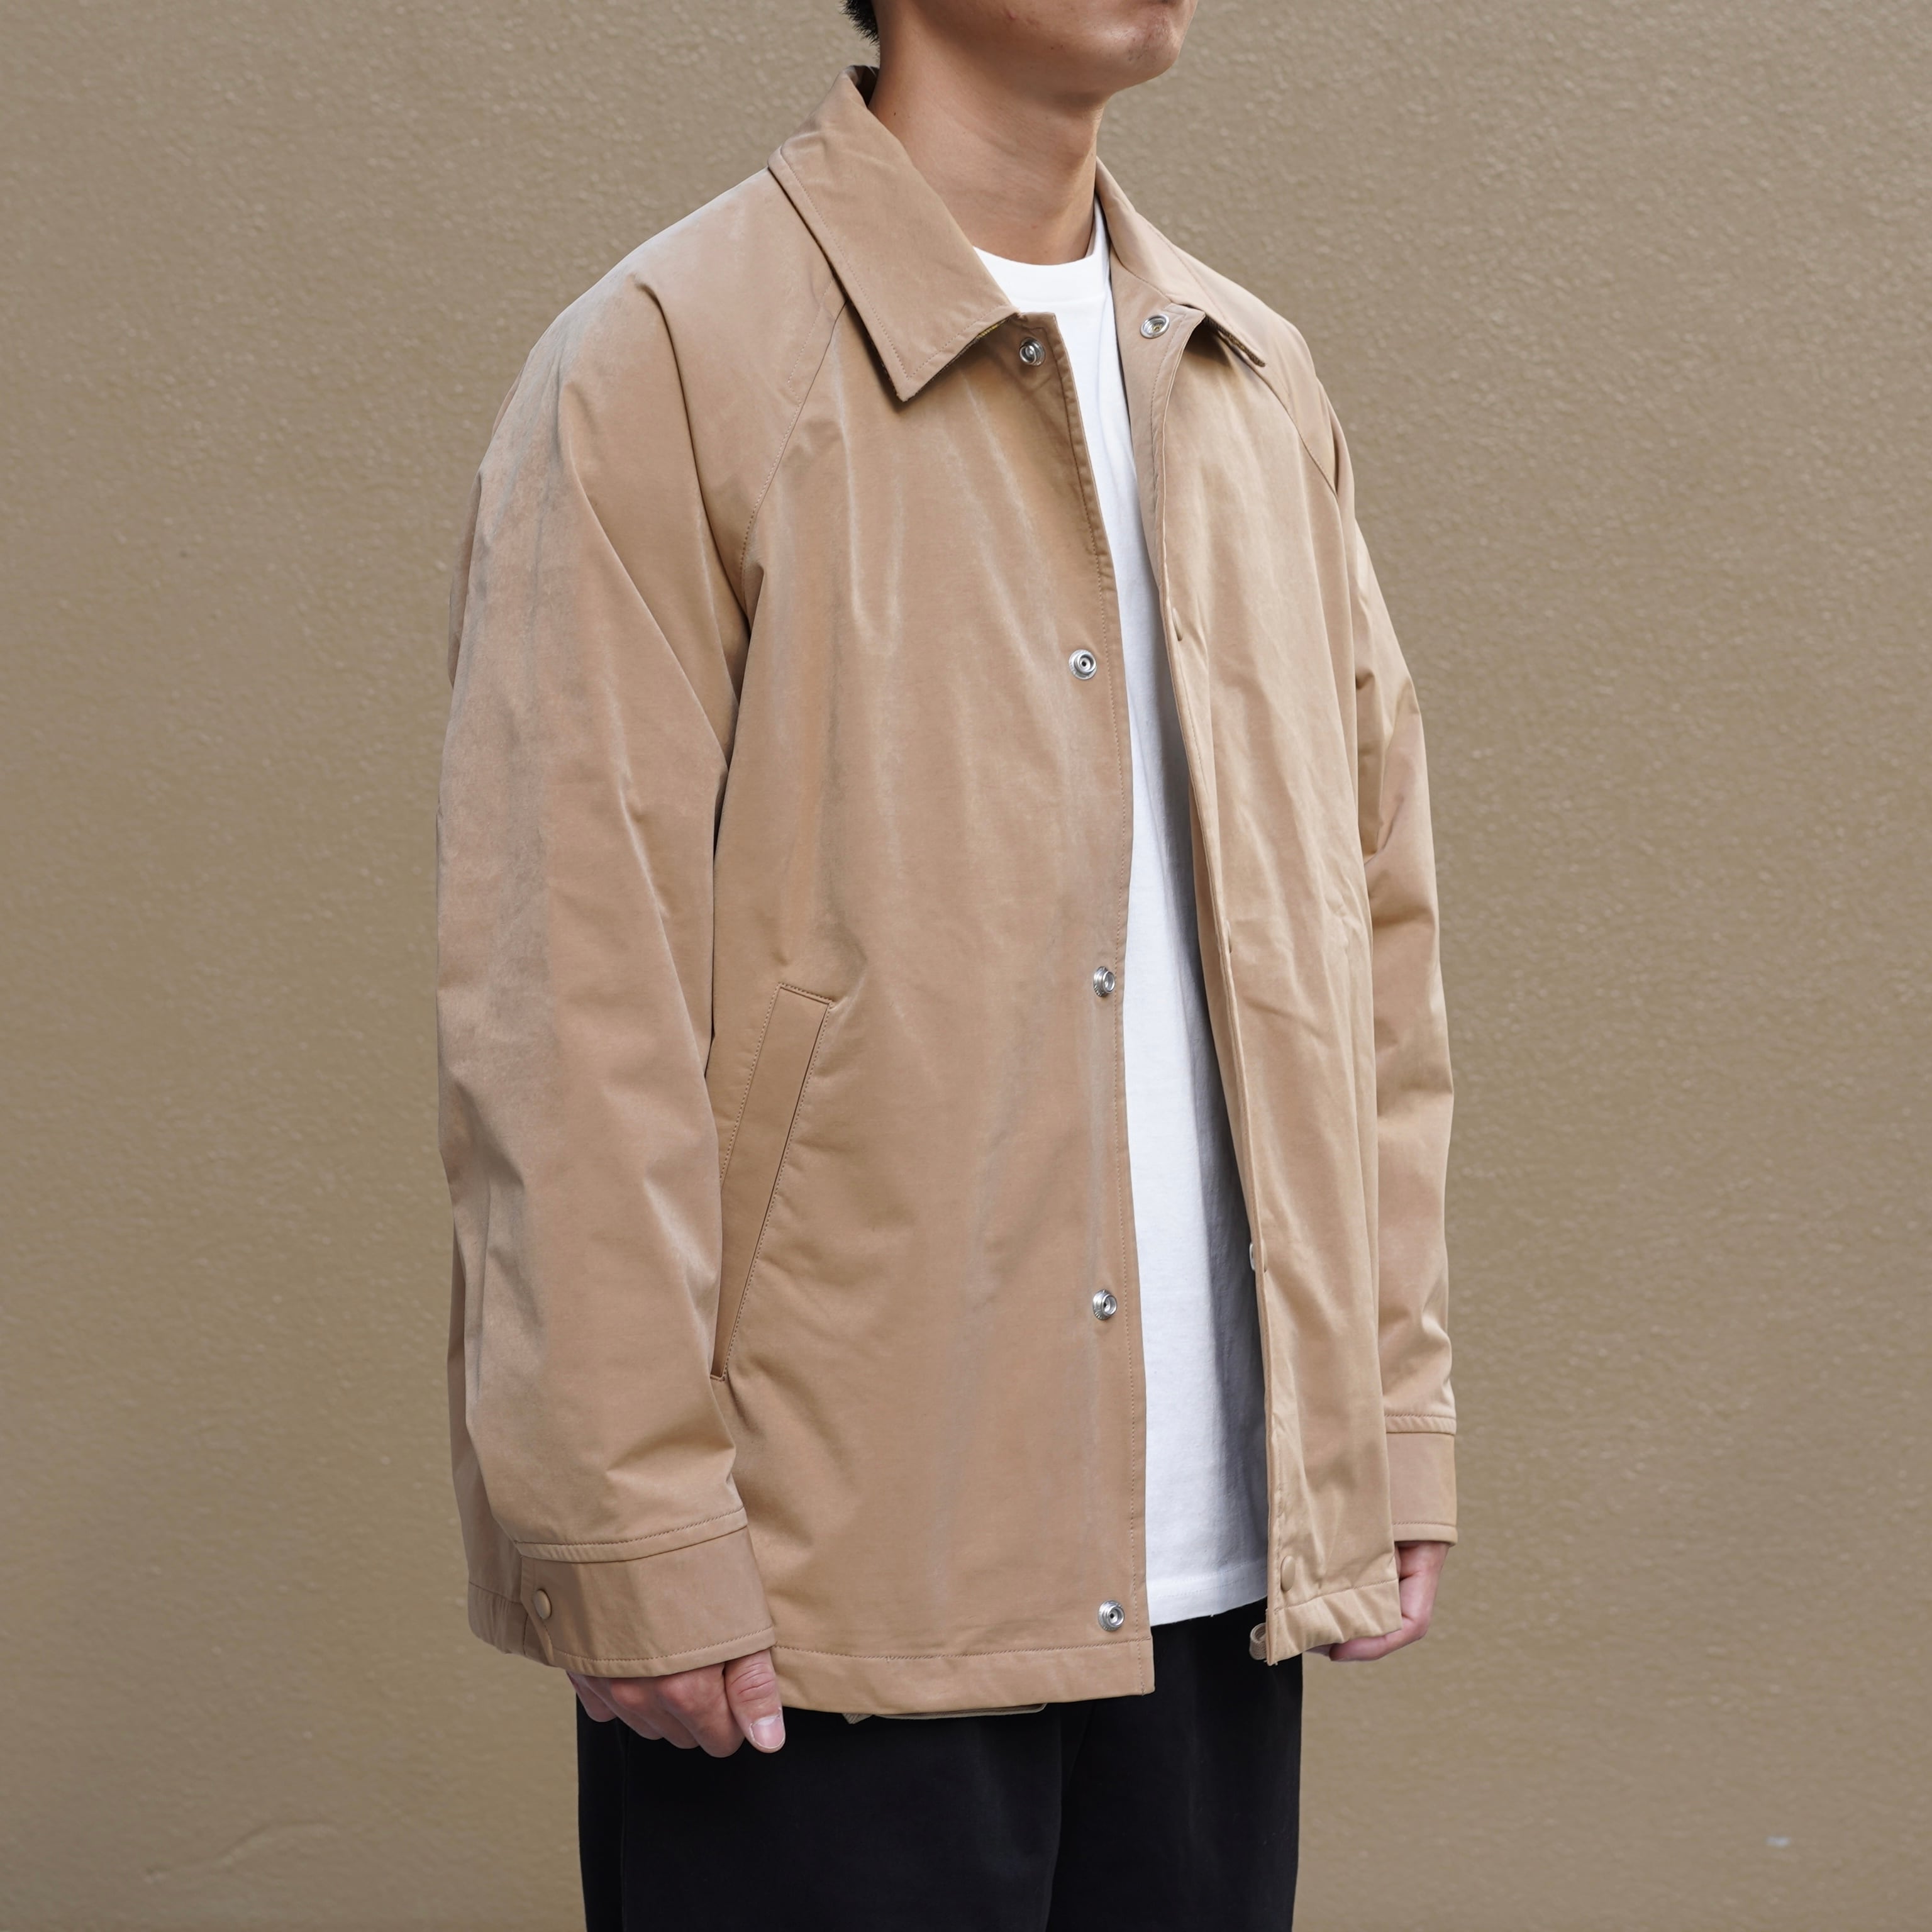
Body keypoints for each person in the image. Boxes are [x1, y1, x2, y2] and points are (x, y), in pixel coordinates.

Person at [437, 1, 1457, 1924]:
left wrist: (1383, 1421)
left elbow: (1369, 939)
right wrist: (624, 1523)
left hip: (1216, 1577)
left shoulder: (1250, 380)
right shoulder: (674, 357)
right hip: (828, 1592)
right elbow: (566, 998)